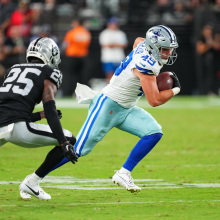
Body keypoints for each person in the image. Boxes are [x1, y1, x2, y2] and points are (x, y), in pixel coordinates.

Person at [20, 25, 181, 196]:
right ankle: (32, 181)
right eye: (164, 49)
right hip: (107, 106)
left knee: (154, 132)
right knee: (77, 150)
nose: (168, 54)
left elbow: (138, 41)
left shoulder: (143, 45)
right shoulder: (146, 65)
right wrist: (175, 90)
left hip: (126, 108)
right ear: (153, 47)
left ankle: (124, 173)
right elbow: (154, 100)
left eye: (170, 49)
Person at [0, 37, 78, 200]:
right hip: (18, 129)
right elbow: (50, 108)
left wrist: (38, 115)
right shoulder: (50, 72)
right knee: (69, 138)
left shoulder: (13, 68)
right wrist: (64, 143)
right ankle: (32, 182)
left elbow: (11, 108)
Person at [61, 17, 91, 96]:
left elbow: (65, 44)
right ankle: (81, 94)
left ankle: (67, 93)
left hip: (72, 56)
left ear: (77, 23)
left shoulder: (72, 32)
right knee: (81, 76)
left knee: (69, 76)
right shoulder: (86, 32)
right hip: (82, 56)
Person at [99, 17, 128, 82]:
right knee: (109, 75)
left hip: (119, 57)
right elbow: (106, 45)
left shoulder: (121, 33)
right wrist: (117, 45)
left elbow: (124, 44)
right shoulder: (104, 33)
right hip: (108, 58)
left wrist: (113, 44)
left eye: (115, 23)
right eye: (112, 23)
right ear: (108, 24)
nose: (114, 25)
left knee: (120, 75)